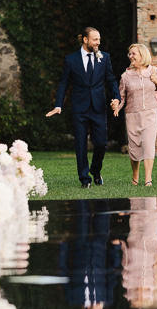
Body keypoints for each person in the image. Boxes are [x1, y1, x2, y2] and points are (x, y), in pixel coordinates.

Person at [46, 27, 120, 188]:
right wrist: (58, 104)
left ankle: (95, 170)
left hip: (98, 107)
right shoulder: (71, 60)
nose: (98, 42)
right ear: (85, 40)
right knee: (80, 144)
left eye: (99, 39)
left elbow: (111, 80)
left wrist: (116, 98)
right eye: (95, 39)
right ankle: (84, 179)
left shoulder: (104, 57)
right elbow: (64, 83)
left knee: (101, 143)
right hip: (79, 108)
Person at [114, 43, 157, 186]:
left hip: (150, 113)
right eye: (129, 54)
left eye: (133, 54)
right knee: (134, 147)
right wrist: (117, 105)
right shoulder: (126, 76)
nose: (130, 56)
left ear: (142, 55)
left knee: (148, 144)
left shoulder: (153, 71)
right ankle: (135, 176)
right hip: (132, 114)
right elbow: (121, 96)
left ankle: (148, 178)